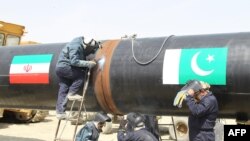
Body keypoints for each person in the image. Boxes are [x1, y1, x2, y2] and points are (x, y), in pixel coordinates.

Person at [55, 36, 100, 119]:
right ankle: (72, 93)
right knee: (80, 76)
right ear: (86, 45)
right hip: (65, 67)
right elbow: (74, 61)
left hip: (60, 68)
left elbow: (92, 46)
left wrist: (98, 45)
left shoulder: (81, 43)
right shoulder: (75, 46)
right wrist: (88, 63)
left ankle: (60, 112)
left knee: (63, 89)